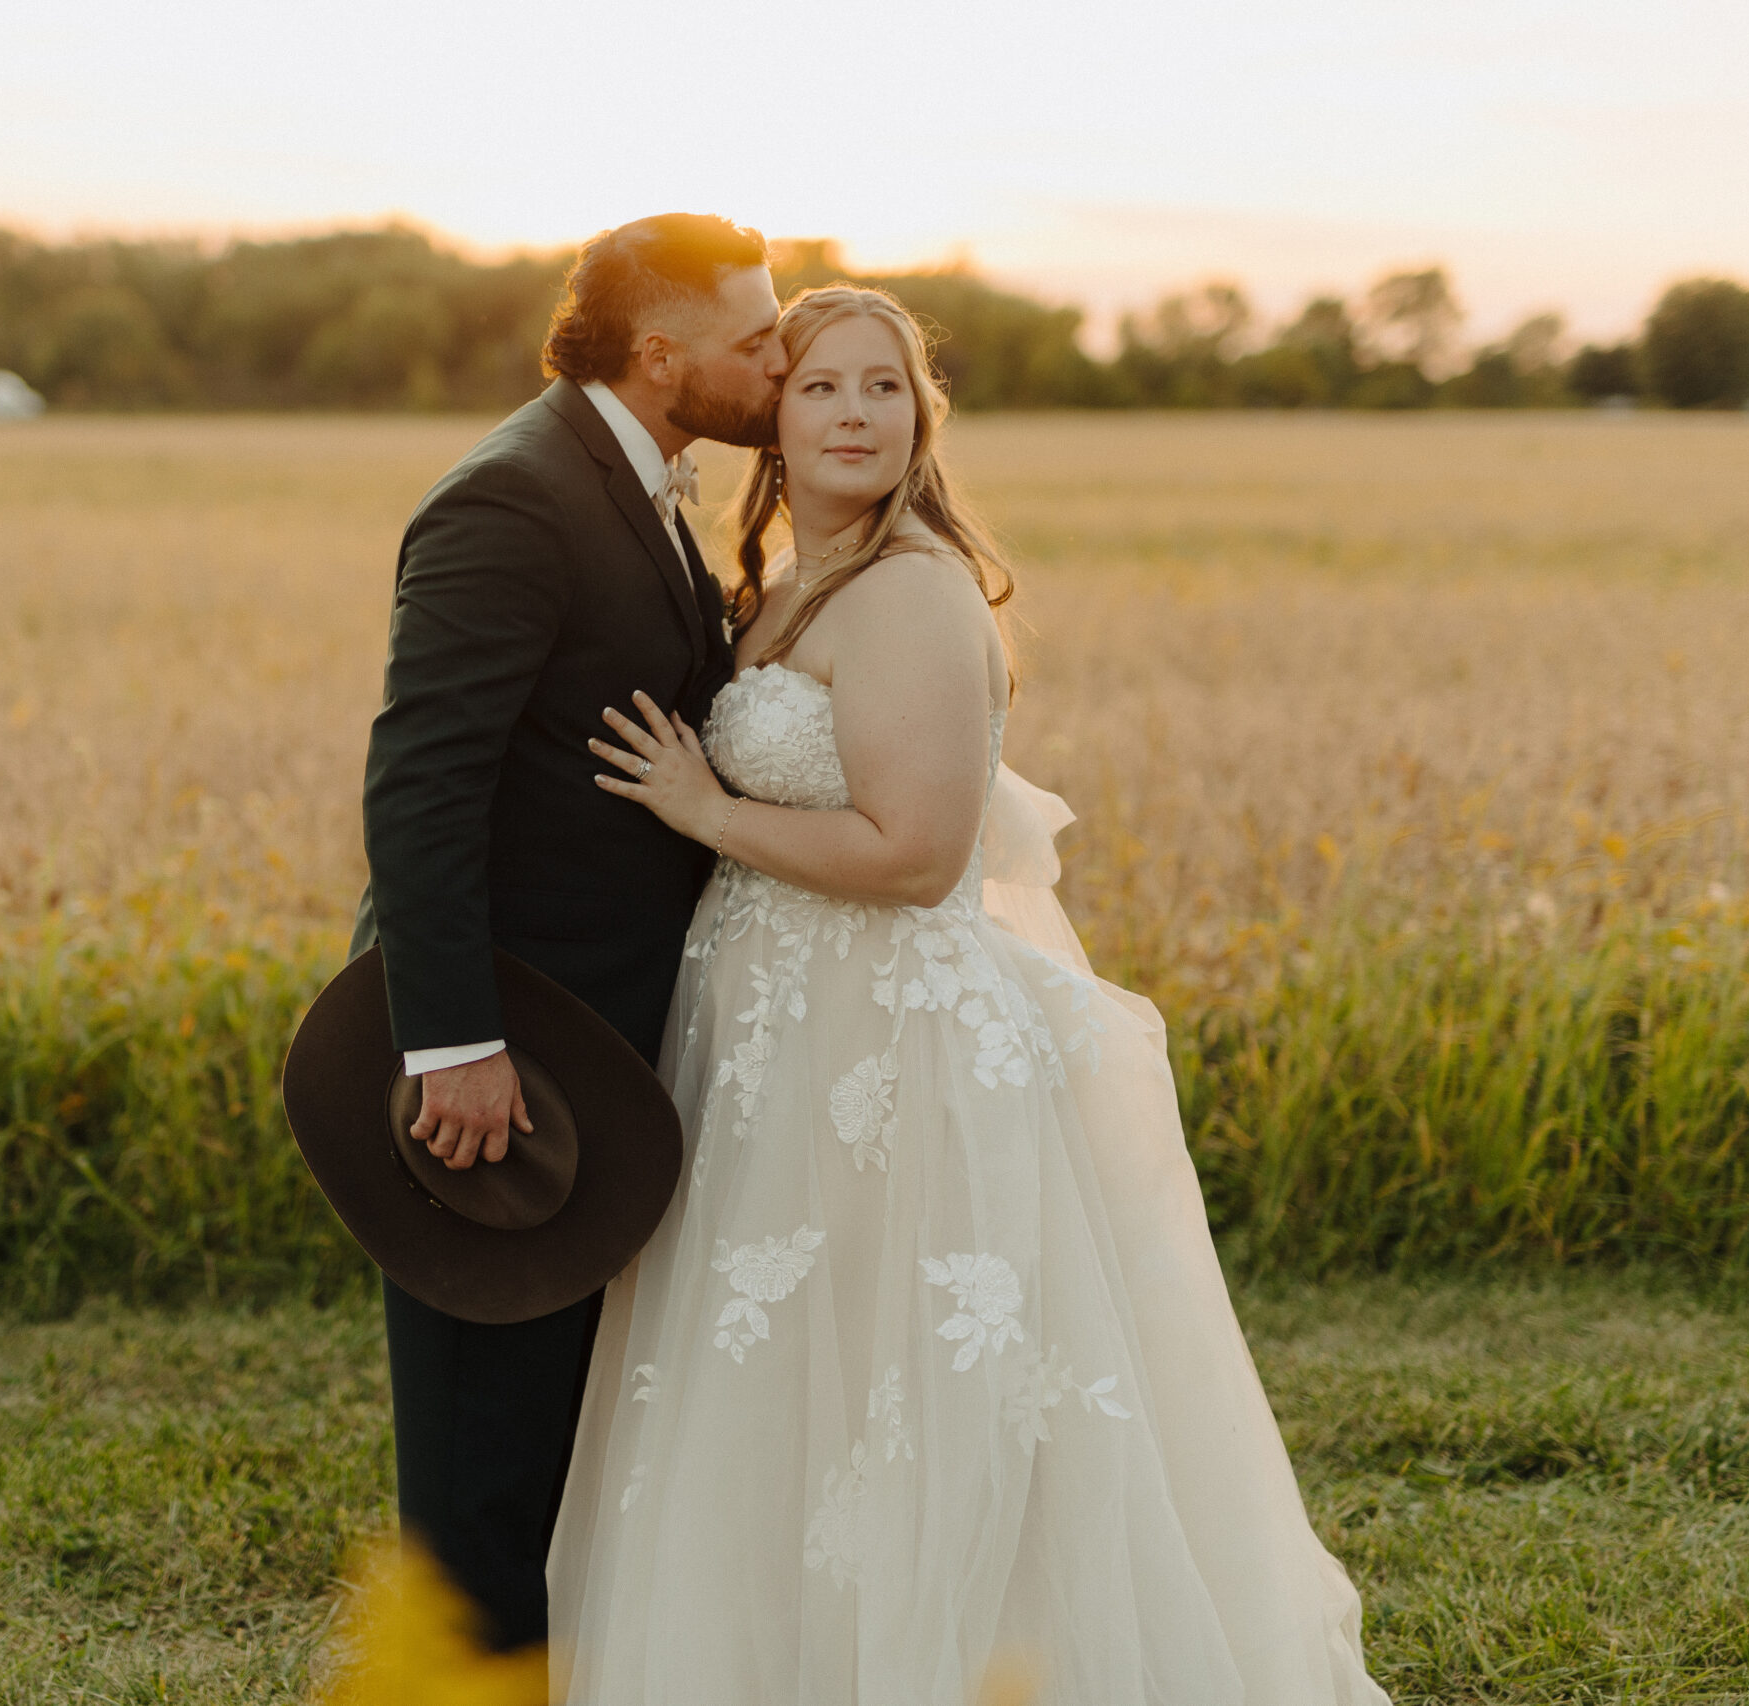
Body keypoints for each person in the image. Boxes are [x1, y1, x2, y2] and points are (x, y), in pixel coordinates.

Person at [548, 285, 1392, 1705]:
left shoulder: (916, 590)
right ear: (776, 418)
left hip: (890, 1042)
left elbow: (916, 854)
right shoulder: (781, 589)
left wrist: (702, 810)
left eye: (886, 388)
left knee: (910, 1400)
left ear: (922, 418)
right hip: (781, 1044)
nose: (856, 413)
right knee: (795, 1398)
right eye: (821, 387)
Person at [347, 212, 787, 1656]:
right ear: (662, 358)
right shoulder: (513, 499)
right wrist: (454, 1042)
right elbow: (422, 785)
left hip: (604, 1043)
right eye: (757, 341)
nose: (780, 365)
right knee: (487, 1458)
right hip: (506, 1059)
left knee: (563, 1438)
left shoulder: (647, 480)